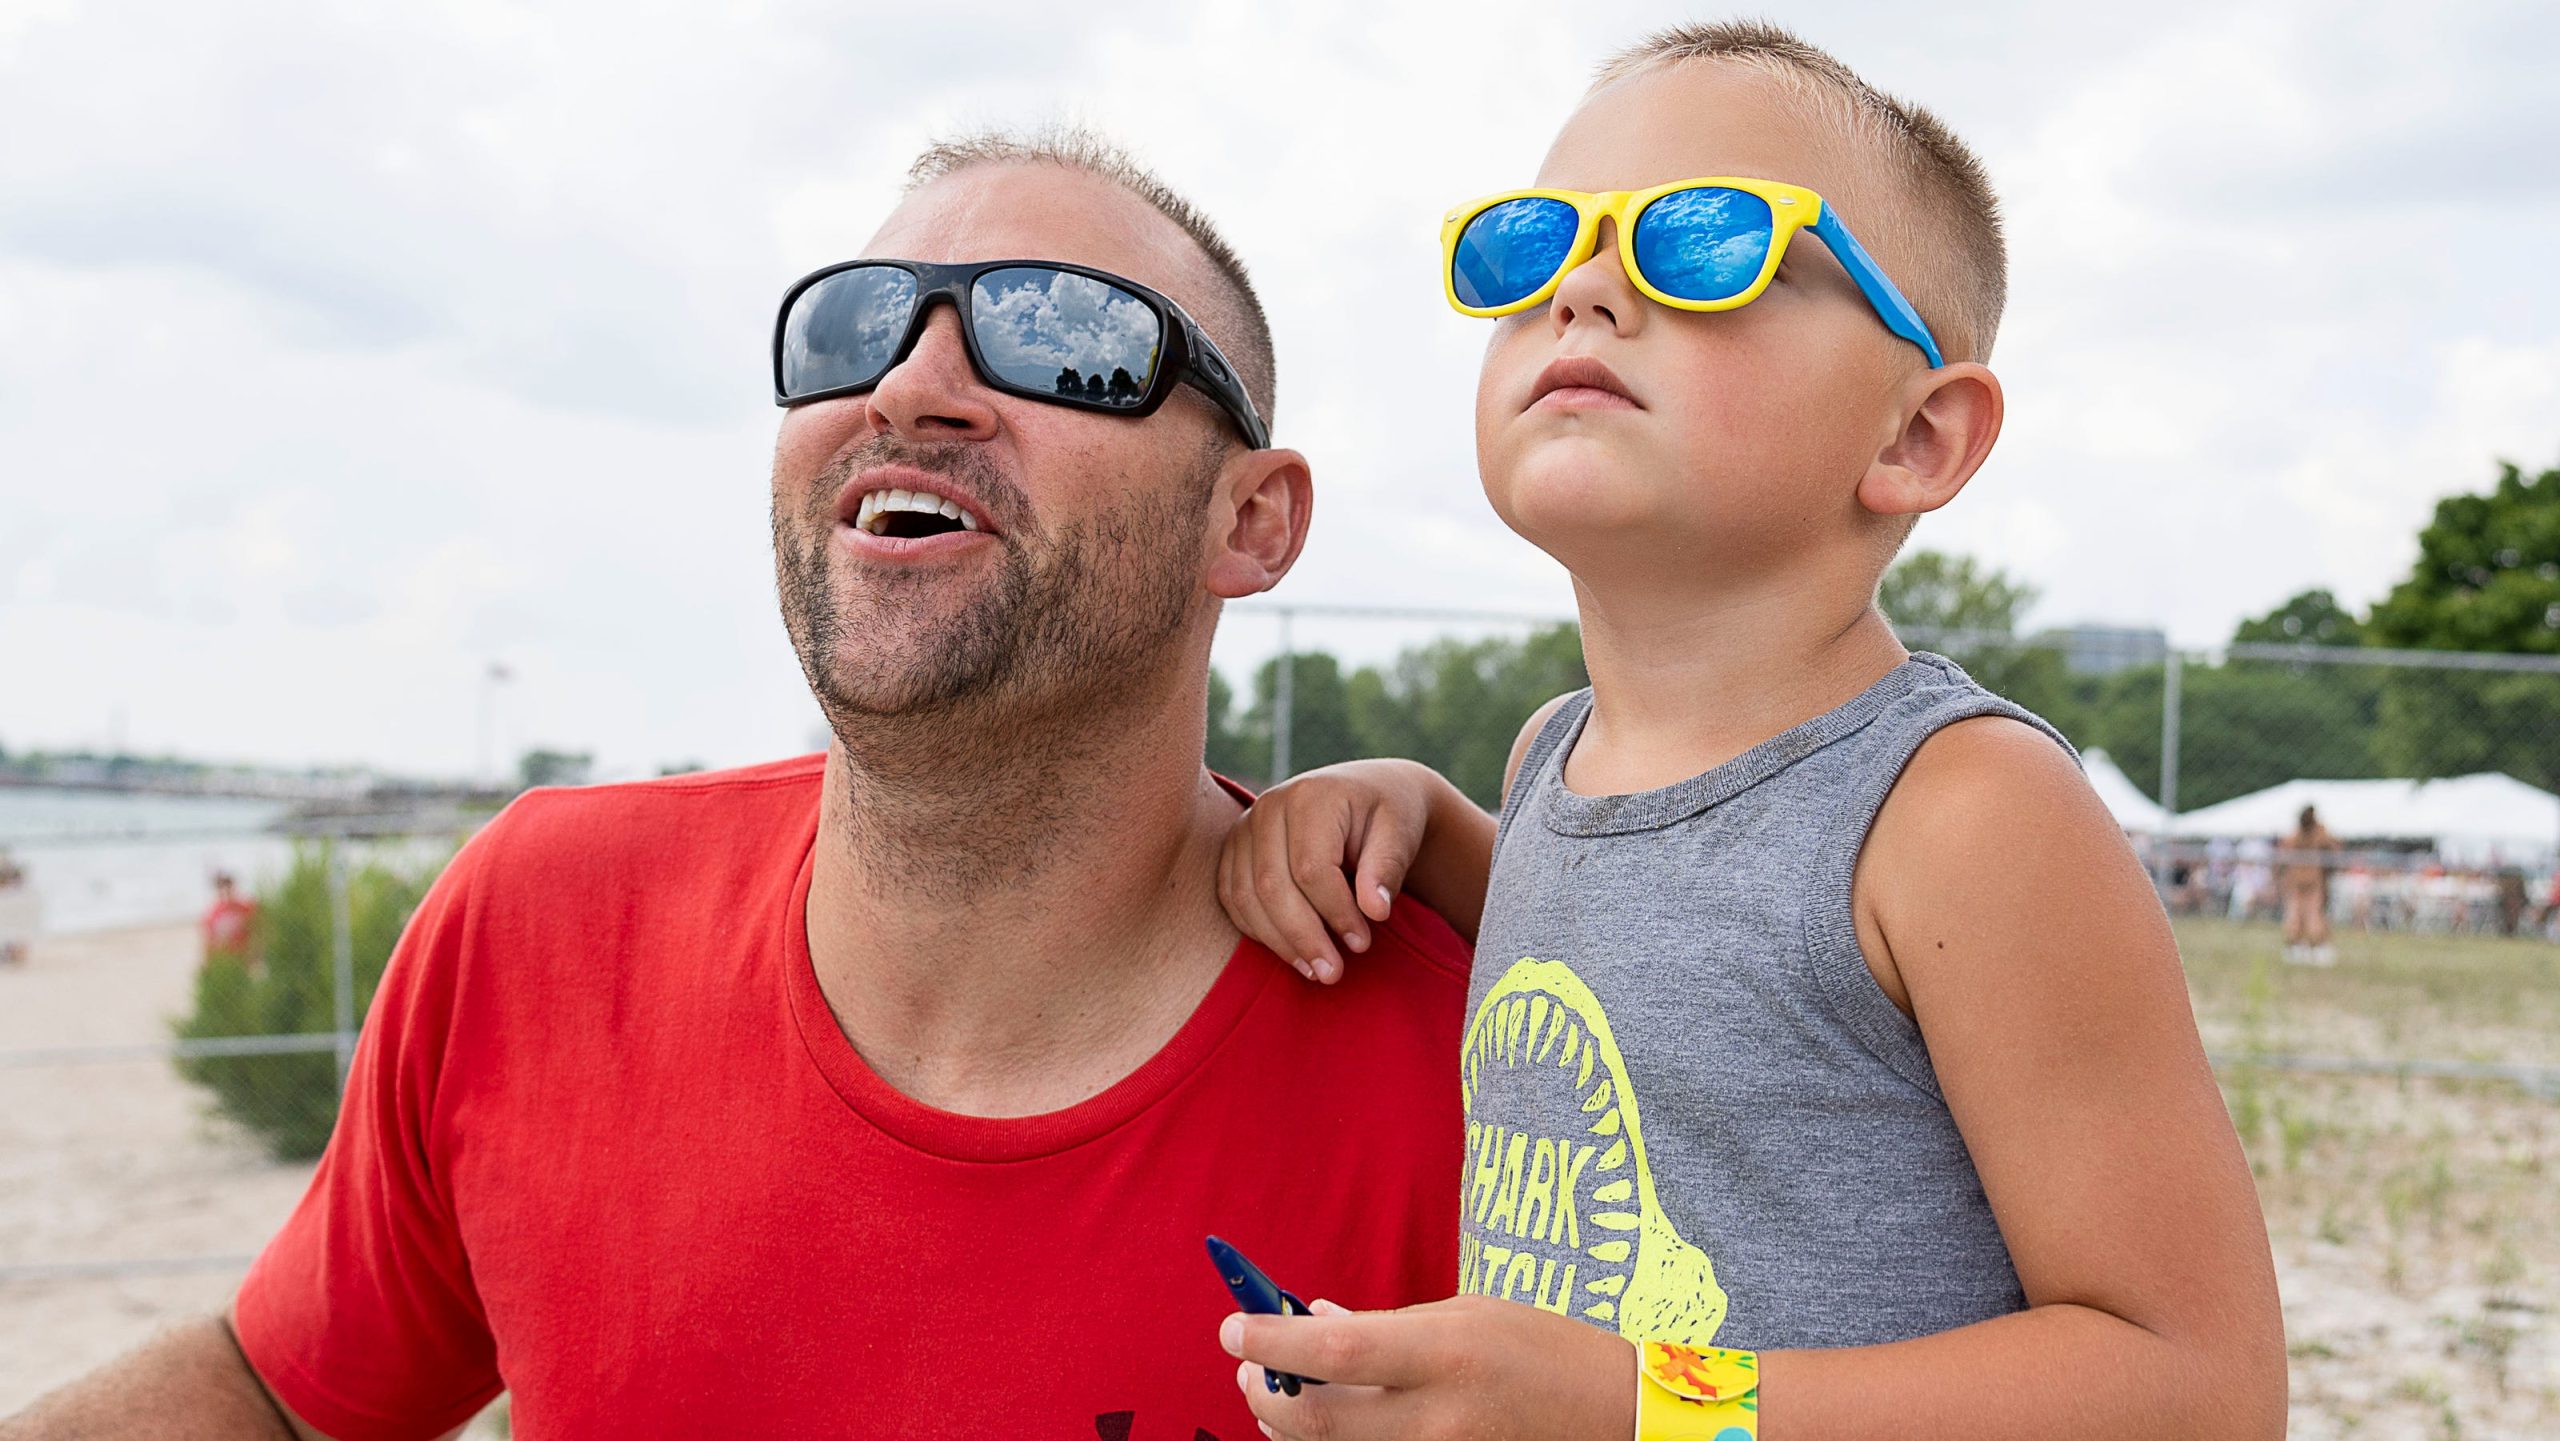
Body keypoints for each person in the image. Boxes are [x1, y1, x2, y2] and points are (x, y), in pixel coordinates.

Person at [5, 129, 1472, 1439]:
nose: (911, 385)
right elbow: (280, 1393)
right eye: (853, 327)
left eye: (1061, 337)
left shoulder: (1495, 1062)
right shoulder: (540, 922)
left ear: (1254, 521)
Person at [1213, 23, 2283, 1441]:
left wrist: (1638, 1406)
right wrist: (1408, 803)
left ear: (1918, 440)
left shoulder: (1963, 810)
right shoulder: (1548, 761)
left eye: (1703, 243)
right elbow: (1647, 925)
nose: (1585, 288)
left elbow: (2201, 1389)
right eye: (1532, 247)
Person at [2277, 803, 2340, 964]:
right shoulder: (2295, 836)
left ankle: (2318, 948)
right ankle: (2296, 947)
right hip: (2297, 883)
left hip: (2314, 884)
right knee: (2295, 917)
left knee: (2314, 917)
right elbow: (2283, 855)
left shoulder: (2320, 833)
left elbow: (2333, 851)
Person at [200, 871, 259, 965]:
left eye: (228, 886)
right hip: (226, 960)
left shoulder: (246, 908)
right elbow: (208, 943)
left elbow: (257, 930)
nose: (226, 891)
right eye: (221, 887)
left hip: (245, 958)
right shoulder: (212, 915)